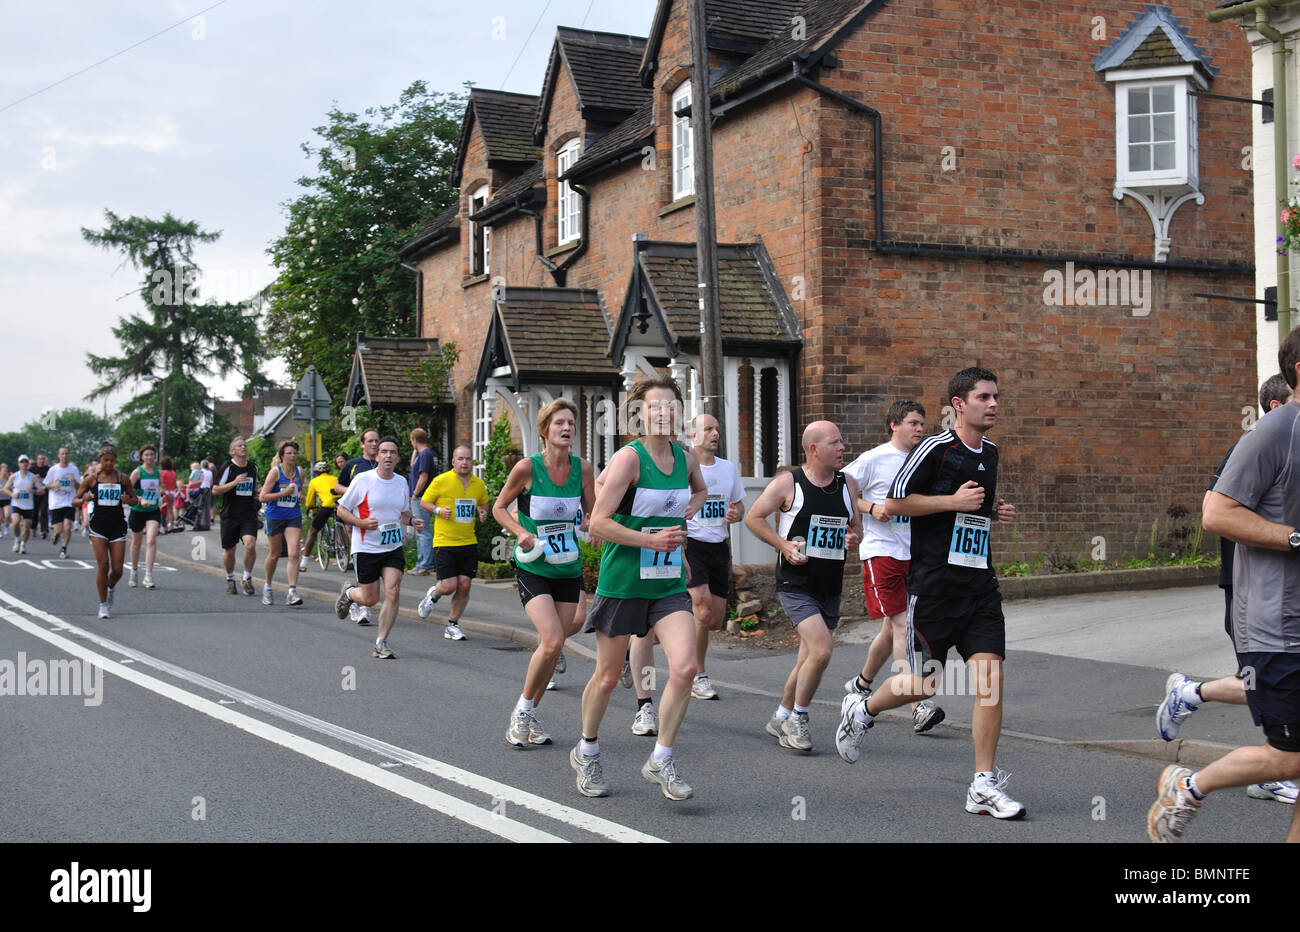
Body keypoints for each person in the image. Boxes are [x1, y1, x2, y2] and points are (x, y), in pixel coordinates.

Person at [834, 367, 1024, 820]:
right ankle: (863, 708)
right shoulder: (934, 449)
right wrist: (950, 502)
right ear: (959, 404)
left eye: (996, 396)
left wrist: (994, 510)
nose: (993, 404)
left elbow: (973, 508)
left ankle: (982, 784)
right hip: (934, 588)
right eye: (984, 397)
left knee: (991, 683)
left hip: (979, 587)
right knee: (923, 684)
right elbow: (895, 504)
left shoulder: (991, 452)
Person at [1148, 331, 1300, 842]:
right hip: (1279, 629)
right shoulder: (1275, 432)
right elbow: (1216, 514)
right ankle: (1188, 786)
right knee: (1289, 758)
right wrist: (1296, 538)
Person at [570, 376, 707, 800]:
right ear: (640, 414)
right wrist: (652, 539)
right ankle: (587, 750)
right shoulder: (630, 459)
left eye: (672, 406)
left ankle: (661, 758)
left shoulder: (685, 459)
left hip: (666, 583)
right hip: (623, 582)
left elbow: (700, 491)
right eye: (656, 407)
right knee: (609, 677)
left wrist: (685, 514)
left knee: (685, 668)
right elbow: (599, 522)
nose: (665, 414)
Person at [746, 422, 862, 753]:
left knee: (808, 657)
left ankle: (780, 715)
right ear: (813, 449)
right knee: (822, 650)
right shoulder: (788, 483)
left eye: (842, 441)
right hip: (795, 584)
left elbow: (856, 528)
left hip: (829, 584)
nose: (843, 447)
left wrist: (853, 538)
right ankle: (799, 717)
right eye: (835, 442)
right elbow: (754, 517)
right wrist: (782, 544)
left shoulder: (847, 484)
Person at [493, 399, 595, 749]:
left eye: (570, 423)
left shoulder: (582, 469)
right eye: (559, 424)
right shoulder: (527, 468)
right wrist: (520, 532)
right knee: (551, 640)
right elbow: (498, 508)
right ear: (544, 431)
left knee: (554, 647)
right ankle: (522, 711)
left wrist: (593, 524)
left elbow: (593, 513)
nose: (567, 428)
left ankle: (532, 713)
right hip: (533, 564)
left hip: (567, 566)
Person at [840, 400, 945, 733]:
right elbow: (841, 489)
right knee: (903, 626)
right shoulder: (874, 459)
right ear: (894, 425)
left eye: (922, 424)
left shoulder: (923, 460)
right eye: (913, 423)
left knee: (890, 628)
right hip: (881, 553)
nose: (919, 429)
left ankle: (861, 683)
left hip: (913, 554)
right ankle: (917, 705)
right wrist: (870, 507)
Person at [333, 436, 424, 658]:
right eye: (384, 452)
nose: (388, 456)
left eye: (393, 453)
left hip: (391, 546)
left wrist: (412, 521)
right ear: (377, 456)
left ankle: (381, 642)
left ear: (398, 458)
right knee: (370, 598)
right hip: (366, 546)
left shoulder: (401, 482)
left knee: (393, 589)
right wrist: (360, 523)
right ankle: (349, 593)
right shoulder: (363, 480)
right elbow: (341, 510)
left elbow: (401, 513)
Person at [683, 412, 747, 701]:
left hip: (719, 545)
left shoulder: (728, 468)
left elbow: (739, 507)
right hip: (692, 543)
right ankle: (698, 673)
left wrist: (735, 514)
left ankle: (659, 631)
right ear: (693, 435)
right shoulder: (683, 467)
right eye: (708, 429)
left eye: (716, 429)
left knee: (714, 618)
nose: (715, 433)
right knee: (703, 608)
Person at [416, 445, 490, 641]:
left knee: (465, 585)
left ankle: (452, 624)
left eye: (468, 459)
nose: (465, 462)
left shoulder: (478, 484)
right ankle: (433, 595)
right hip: (445, 541)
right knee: (449, 586)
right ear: (453, 462)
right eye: (461, 459)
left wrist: (483, 512)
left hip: (468, 541)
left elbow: (484, 503)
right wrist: (439, 511)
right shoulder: (441, 481)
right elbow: (424, 502)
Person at [74, 443, 138, 618]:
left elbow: (135, 500)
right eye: (105, 460)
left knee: (117, 569)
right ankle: (103, 605)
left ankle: (110, 588)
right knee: (103, 564)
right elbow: (75, 501)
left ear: (115, 461)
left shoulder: (122, 479)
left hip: (117, 524)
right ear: (100, 460)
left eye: (112, 460)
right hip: (99, 525)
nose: (109, 463)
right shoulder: (91, 479)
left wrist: (128, 499)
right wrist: (84, 498)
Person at [335, 428, 380, 623]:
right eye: (369, 440)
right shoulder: (353, 465)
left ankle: (352, 594)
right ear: (362, 444)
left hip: (380, 523)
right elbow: (338, 486)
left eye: (376, 440)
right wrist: (354, 491)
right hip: (357, 521)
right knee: (362, 562)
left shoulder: (384, 464)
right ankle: (363, 607)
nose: (374, 444)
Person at [213, 436, 260, 596]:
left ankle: (246, 578)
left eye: (245, 445)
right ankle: (230, 578)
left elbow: (254, 489)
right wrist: (234, 483)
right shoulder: (228, 467)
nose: (243, 447)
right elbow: (215, 489)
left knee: (250, 545)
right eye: (240, 446)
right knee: (230, 550)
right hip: (230, 514)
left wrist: (257, 494)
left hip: (248, 513)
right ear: (233, 451)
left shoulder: (253, 468)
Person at [259, 440, 304, 606]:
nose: (292, 456)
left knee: (294, 553)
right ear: (282, 456)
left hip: (293, 514)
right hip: (275, 516)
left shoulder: (300, 472)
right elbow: (263, 496)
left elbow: (300, 494)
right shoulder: (275, 473)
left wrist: (301, 497)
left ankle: (292, 591)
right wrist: (283, 493)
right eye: (289, 453)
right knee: (275, 554)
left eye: (294, 453)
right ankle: (268, 586)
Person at [127, 445, 163, 589]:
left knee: (151, 540)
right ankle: (134, 571)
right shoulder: (137, 472)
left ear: (155, 457)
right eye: (146, 455)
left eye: (151, 455)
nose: (149, 457)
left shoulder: (157, 472)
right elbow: (128, 491)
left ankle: (148, 576)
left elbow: (161, 486)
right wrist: (141, 498)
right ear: (142, 457)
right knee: (136, 543)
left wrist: (160, 494)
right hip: (137, 510)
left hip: (153, 510)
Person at [408, 428, 438, 576]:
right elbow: (412, 464)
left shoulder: (425, 455)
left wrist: (415, 494)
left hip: (421, 498)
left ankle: (425, 564)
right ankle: (422, 563)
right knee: (422, 531)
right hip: (426, 497)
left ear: (414, 440)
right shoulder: (428, 454)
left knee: (423, 530)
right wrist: (416, 450)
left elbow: (423, 477)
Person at [43, 447, 81, 559]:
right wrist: (53, 485)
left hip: (69, 501)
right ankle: (56, 534)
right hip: (56, 502)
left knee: (68, 527)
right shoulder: (53, 470)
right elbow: (46, 485)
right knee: (59, 529)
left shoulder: (74, 469)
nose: (64, 456)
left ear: (69, 455)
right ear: (58, 455)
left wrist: (73, 481)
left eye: (66, 454)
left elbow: (79, 486)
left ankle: (63, 549)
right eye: (62, 454)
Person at [301, 460, 338, 570]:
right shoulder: (335, 478)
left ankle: (304, 562)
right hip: (340, 505)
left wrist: (312, 508)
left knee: (312, 532)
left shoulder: (314, 481)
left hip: (327, 506)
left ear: (316, 472)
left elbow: (309, 502)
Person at [4, 454, 40, 553]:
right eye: (22, 462)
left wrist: (33, 491)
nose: (24, 464)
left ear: (28, 464)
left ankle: (23, 544)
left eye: (26, 462)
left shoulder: (32, 477)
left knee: (26, 527)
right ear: (18, 464)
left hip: (28, 505)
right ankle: (17, 539)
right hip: (16, 503)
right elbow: (5, 488)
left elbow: (41, 490)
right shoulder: (14, 476)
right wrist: (12, 495)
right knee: (15, 523)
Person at [32, 453, 50, 539]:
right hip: (35, 493)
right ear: (37, 460)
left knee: (43, 511)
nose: (42, 461)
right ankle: (33, 528)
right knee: (34, 512)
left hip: (45, 493)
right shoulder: (32, 469)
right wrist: (34, 477)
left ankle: (44, 530)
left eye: (43, 459)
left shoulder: (48, 469)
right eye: (40, 459)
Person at [159, 456, 178, 532]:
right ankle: (171, 525)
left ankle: (165, 525)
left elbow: (161, 483)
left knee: (164, 510)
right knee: (170, 510)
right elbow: (174, 483)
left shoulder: (162, 473)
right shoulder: (173, 473)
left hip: (165, 492)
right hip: (171, 491)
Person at [198, 459, 214, 530]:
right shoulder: (210, 472)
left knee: (201, 506)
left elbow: (200, 481)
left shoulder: (201, 472)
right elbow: (211, 482)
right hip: (208, 489)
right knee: (207, 506)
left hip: (202, 489)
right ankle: (208, 523)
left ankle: (202, 523)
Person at [0, 463, 10, 537]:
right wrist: (3, 490)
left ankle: (6, 525)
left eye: (6, 471)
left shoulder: (9, 479)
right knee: (0, 517)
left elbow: (12, 488)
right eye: (3, 471)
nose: (4, 473)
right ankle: (0, 530)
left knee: (7, 515)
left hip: (6, 499)